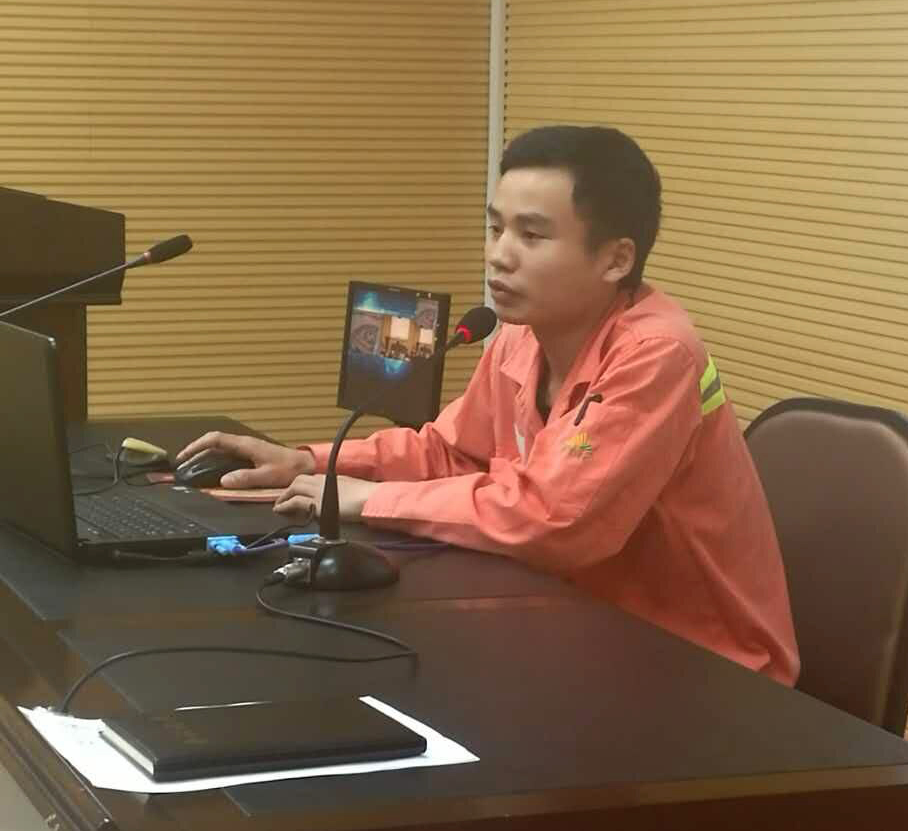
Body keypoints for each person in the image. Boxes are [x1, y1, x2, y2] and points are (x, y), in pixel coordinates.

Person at [179, 125, 800, 686]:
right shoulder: (523, 333)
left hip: (700, 668)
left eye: (531, 235)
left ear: (616, 258)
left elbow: (557, 520)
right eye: (495, 227)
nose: (499, 254)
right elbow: (451, 451)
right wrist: (310, 462)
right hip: (574, 628)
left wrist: (370, 499)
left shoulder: (656, 354)